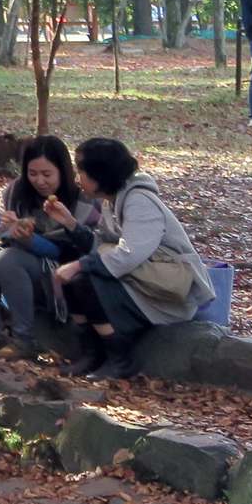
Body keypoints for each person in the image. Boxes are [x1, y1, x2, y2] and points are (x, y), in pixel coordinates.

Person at [56, 136, 214, 380]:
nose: (78, 179)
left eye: (81, 170)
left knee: (83, 280)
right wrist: (70, 224)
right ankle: (92, 354)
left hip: (166, 292)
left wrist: (79, 265)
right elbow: (101, 245)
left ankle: (120, 359)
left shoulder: (140, 202)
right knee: (73, 280)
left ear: (100, 174)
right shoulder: (112, 201)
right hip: (140, 281)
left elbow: (130, 254)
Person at [0, 136, 98, 359]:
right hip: (21, 264)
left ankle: (25, 339)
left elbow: (70, 251)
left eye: (47, 174)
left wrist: (31, 241)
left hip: (61, 274)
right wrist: (1, 223)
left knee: (8, 258)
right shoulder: (17, 191)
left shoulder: (82, 200)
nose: (39, 181)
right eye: (32, 173)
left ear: (62, 171)